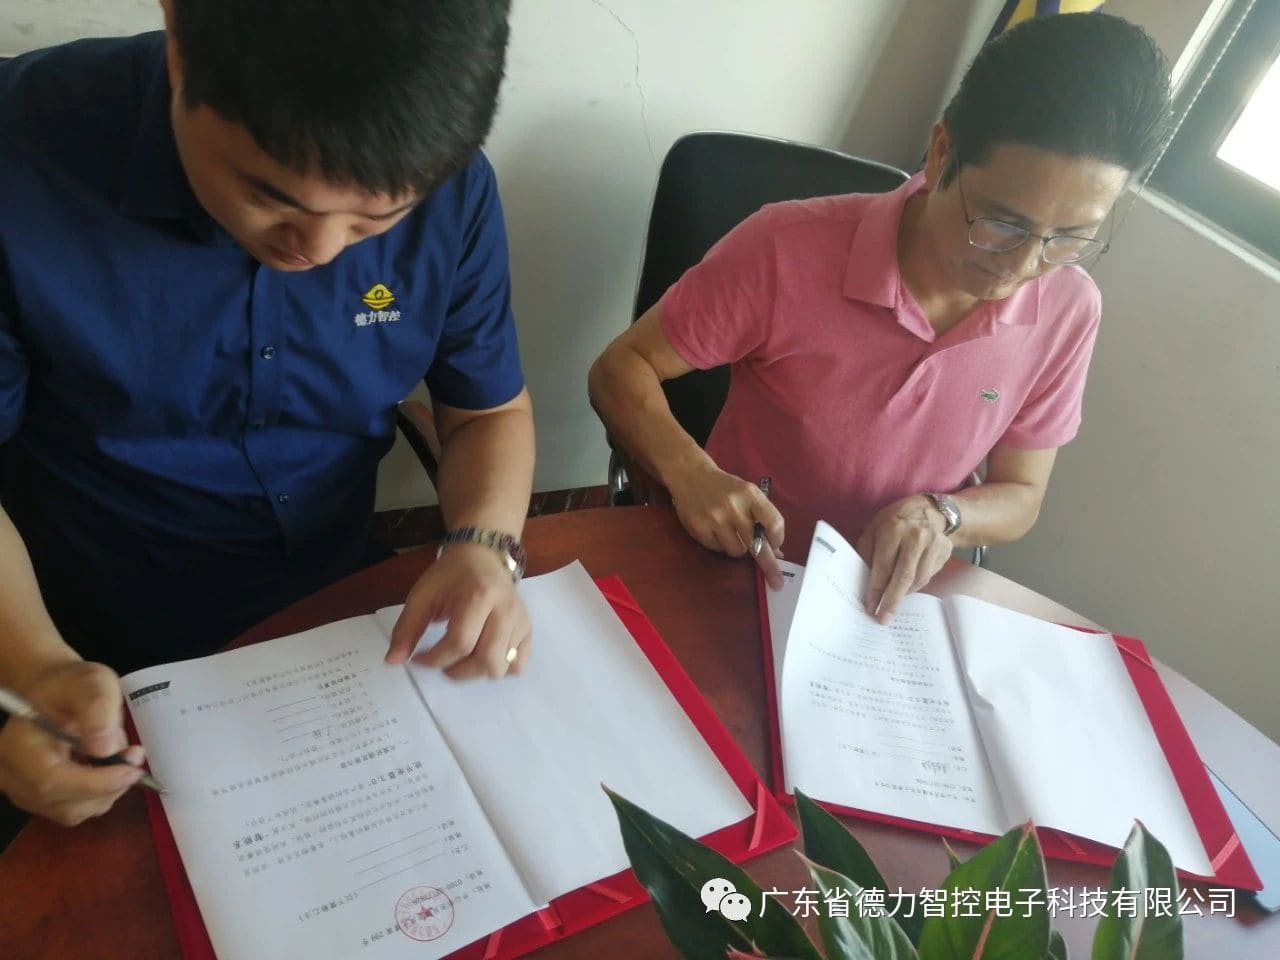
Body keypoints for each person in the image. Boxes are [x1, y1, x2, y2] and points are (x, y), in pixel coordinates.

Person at [0, 0, 533, 830]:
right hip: (80, 636)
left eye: (375, 221)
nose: (316, 252)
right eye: (268, 195)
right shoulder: (19, 158)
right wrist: (34, 669)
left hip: (338, 614)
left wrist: (483, 545)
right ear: (180, 40)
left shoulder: (449, 182)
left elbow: (486, 412)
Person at [589, 13, 1171, 621]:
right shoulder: (786, 249)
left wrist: (943, 515)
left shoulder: (1069, 308)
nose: (1025, 266)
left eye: (1071, 237)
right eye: (1002, 223)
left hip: (885, 608)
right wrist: (691, 474)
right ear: (942, 153)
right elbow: (620, 369)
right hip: (739, 569)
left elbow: (1022, 494)